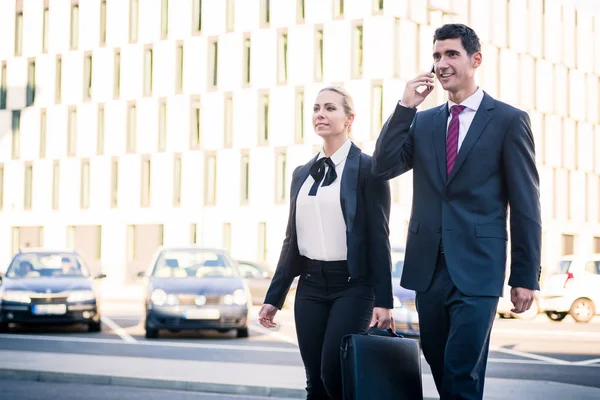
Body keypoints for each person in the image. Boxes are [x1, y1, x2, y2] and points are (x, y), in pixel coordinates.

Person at [372, 24, 541, 399]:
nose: (441, 64)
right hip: (428, 268)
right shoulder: (424, 121)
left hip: (479, 268)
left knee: (461, 370)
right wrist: (404, 108)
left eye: (451, 54)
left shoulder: (508, 121)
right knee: (438, 361)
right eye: (436, 56)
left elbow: (526, 204)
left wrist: (525, 275)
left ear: (475, 59)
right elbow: (381, 167)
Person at [259, 86, 394, 400]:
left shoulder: (370, 170)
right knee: (314, 382)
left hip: (354, 286)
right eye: (317, 108)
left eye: (330, 108)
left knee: (334, 372)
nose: (321, 114)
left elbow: (379, 239)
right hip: (309, 287)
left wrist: (384, 300)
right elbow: (292, 241)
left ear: (349, 118)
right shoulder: (302, 174)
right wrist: (274, 296)